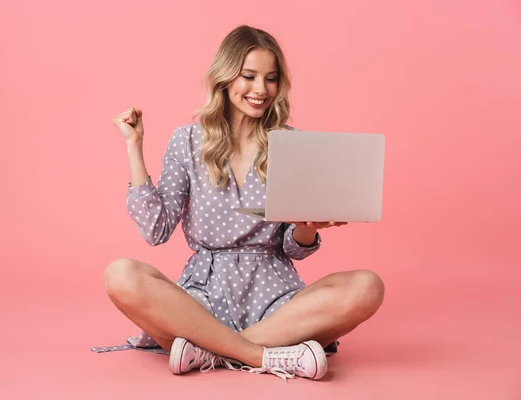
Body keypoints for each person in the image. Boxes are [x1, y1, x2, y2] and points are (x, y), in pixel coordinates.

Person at [106, 25, 385, 381]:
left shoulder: (290, 144)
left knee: (367, 286)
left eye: (271, 79)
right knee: (120, 274)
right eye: (249, 76)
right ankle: (263, 356)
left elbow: (294, 249)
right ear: (225, 77)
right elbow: (156, 230)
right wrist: (134, 147)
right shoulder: (188, 141)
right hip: (201, 300)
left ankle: (212, 351)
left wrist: (305, 228)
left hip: (277, 303)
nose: (260, 90)